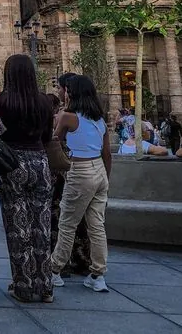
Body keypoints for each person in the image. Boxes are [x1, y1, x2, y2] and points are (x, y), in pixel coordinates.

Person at [0, 54, 54, 304]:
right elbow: (48, 137)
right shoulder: (44, 102)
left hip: (13, 164)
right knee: (42, 226)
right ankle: (46, 287)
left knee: (18, 228)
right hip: (40, 163)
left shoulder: (0, 101)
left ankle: (24, 285)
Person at [50, 74, 111, 293]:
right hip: (100, 172)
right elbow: (107, 154)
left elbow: (54, 142)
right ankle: (98, 274)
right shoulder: (100, 120)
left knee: (67, 223)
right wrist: (106, 179)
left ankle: (54, 269)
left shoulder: (67, 117)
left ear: (71, 93)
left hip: (81, 170)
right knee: (97, 225)